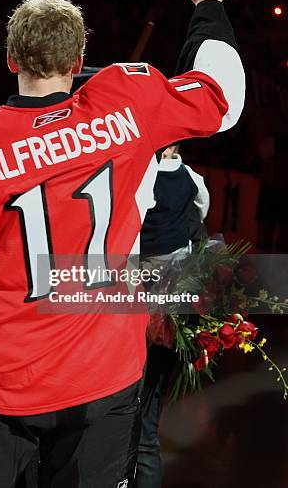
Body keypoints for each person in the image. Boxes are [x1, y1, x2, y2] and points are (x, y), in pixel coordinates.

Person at [0, 0, 244, 488]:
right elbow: (222, 96)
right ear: (80, 57)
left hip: (0, 383)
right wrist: (208, 7)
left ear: (11, 57)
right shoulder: (127, 103)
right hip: (103, 378)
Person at [135, 144, 210, 488]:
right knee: (147, 428)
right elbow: (201, 221)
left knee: (129, 426)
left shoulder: (139, 179)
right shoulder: (193, 180)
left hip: (138, 312)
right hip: (173, 311)